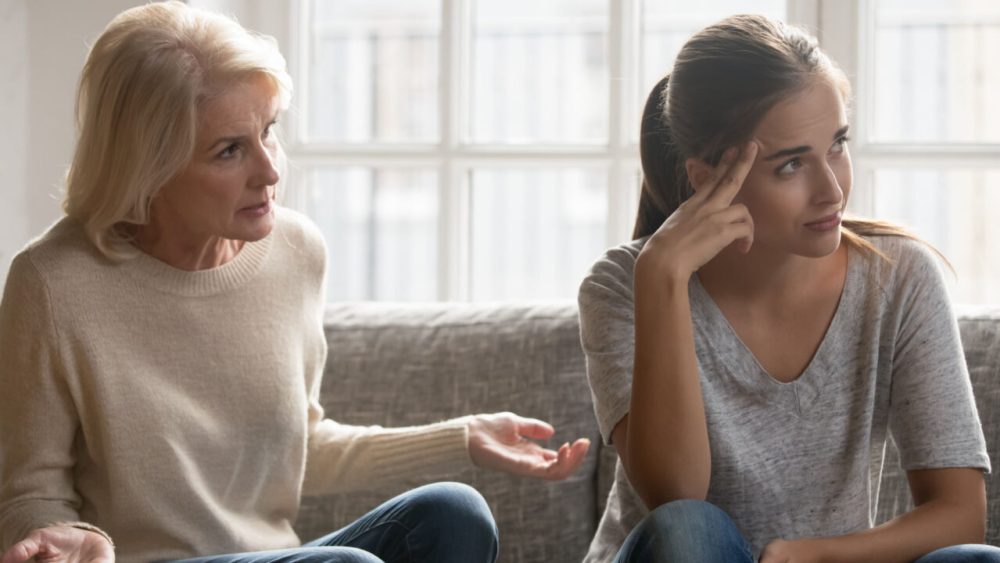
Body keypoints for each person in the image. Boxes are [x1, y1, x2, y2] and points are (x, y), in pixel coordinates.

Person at [0, 3, 590, 563]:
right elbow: (28, 492)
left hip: (281, 555)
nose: (271, 169)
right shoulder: (53, 283)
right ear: (147, 166)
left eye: (269, 130)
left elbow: (302, 445)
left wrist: (462, 438)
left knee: (454, 513)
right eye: (230, 150)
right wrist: (61, 536)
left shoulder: (295, 251)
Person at [578, 14, 999, 563]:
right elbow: (675, 497)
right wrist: (663, 279)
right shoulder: (625, 284)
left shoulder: (898, 277)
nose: (832, 190)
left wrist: (811, 555)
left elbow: (960, 513)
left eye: (837, 145)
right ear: (707, 180)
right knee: (690, 530)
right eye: (791, 164)